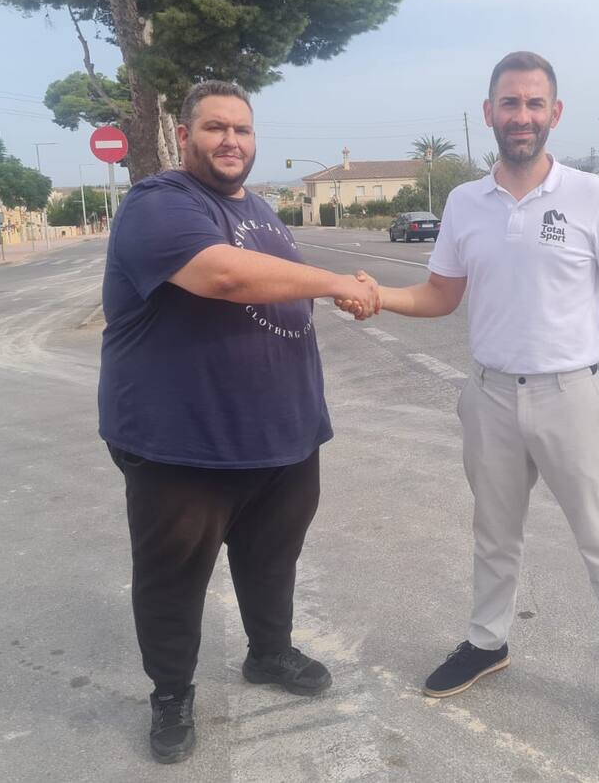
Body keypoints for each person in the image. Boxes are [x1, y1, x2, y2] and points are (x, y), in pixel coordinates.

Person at [350, 52, 599, 760]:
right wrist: (380, 298)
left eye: (534, 104)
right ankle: (487, 642)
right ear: (489, 112)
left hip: (572, 395)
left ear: (554, 114)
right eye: (509, 103)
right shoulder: (465, 204)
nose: (521, 116)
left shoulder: (591, 195)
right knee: (494, 534)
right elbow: (441, 296)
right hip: (490, 394)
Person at [97, 80, 379, 764]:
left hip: (282, 436)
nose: (231, 141)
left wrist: (320, 297)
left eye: (243, 130)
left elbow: (276, 284)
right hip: (184, 442)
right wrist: (338, 282)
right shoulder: (157, 204)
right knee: (173, 575)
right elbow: (225, 278)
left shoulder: (258, 208)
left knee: (272, 558)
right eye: (216, 127)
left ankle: (269, 653)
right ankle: (170, 694)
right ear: (185, 136)